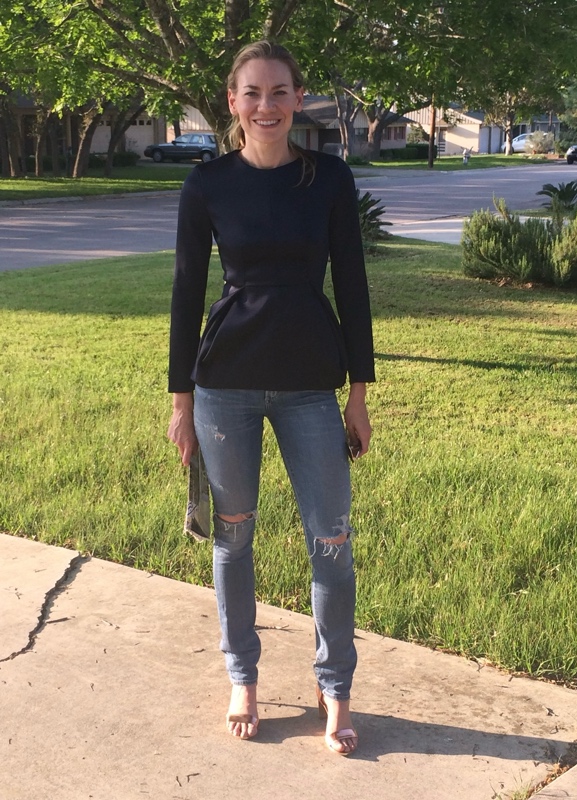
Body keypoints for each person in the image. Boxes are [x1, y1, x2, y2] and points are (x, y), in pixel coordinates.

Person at [167, 40, 375, 756]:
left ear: (297, 98)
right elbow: (185, 294)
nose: (266, 106)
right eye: (251, 93)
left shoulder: (328, 180)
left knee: (332, 542)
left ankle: (335, 685)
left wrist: (359, 392)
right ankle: (243, 678)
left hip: (310, 385)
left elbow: (351, 283)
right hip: (223, 385)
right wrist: (180, 400)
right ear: (232, 102)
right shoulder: (207, 184)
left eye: (278, 92)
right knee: (233, 541)